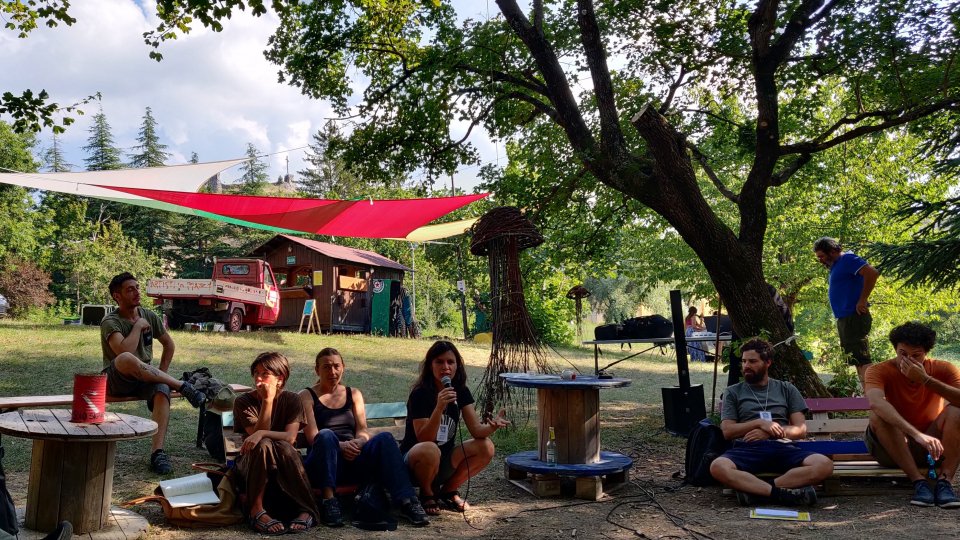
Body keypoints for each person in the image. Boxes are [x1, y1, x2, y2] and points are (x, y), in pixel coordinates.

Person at [301, 347, 429, 527]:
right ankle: (329, 501)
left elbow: (362, 429)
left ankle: (408, 501)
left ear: (343, 367)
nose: (332, 372)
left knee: (385, 438)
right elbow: (312, 436)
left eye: (337, 366)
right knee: (325, 435)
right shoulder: (306, 396)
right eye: (326, 367)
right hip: (324, 461)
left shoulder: (353, 394)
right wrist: (341, 446)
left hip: (353, 459)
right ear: (317, 370)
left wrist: (359, 442)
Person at [100, 272, 205, 474]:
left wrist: (160, 374)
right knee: (126, 359)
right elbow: (124, 352)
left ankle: (157, 453)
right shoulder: (110, 321)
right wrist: (138, 327)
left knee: (162, 387)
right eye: (130, 289)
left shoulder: (150, 315)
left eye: (137, 287)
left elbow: (169, 345)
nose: (137, 292)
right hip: (116, 379)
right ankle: (182, 386)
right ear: (117, 296)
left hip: (144, 377)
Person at [710, 338, 833, 506]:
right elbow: (727, 431)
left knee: (824, 465)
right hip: (747, 448)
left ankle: (761, 492)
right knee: (718, 467)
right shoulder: (733, 392)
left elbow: (800, 430)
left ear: (768, 362)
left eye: (752, 361)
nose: (746, 366)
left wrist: (769, 431)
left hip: (782, 446)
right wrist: (759, 423)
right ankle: (780, 494)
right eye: (744, 361)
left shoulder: (786, 388)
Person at [400, 341, 509, 515]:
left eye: (450, 362)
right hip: (414, 463)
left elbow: (476, 430)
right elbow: (423, 438)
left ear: (457, 365)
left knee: (485, 446)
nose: (446, 367)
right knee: (430, 448)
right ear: (430, 365)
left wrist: (491, 427)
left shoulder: (460, 391)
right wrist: (439, 407)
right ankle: (427, 493)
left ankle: (448, 491)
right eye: (439, 362)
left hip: (442, 461)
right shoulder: (420, 393)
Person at [864, 322, 960, 508]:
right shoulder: (878, 370)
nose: (908, 360)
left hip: (934, 448)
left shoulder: (944, 369)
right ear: (895, 350)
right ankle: (918, 482)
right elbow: (876, 402)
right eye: (903, 354)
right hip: (890, 448)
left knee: (957, 410)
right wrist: (917, 434)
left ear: (926, 353)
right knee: (878, 414)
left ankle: (945, 482)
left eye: (916, 355)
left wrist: (925, 380)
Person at [233, 352, 318, 535]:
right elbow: (255, 439)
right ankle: (256, 509)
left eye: (265, 374)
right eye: (256, 373)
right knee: (263, 444)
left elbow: (290, 437)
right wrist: (267, 401)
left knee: (284, 446)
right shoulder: (243, 401)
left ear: (280, 379)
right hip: (251, 462)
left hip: (283, 461)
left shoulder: (292, 400)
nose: (258, 378)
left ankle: (306, 509)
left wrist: (263, 432)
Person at [813, 237, 879, 387]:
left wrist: (862, 300)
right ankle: (867, 395)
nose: (820, 260)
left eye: (822, 256)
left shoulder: (848, 259)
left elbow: (872, 273)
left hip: (854, 316)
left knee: (862, 358)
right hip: (845, 318)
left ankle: (873, 396)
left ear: (832, 251)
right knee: (856, 359)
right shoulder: (836, 265)